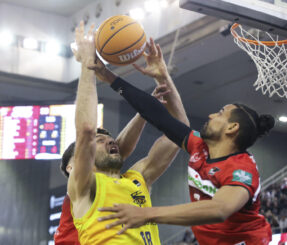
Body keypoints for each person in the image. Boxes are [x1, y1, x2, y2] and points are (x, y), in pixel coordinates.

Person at [92, 36, 275, 244]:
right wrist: (110, 77)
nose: (211, 116)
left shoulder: (242, 169)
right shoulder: (200, 147)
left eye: (220, 114)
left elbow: (220, 209)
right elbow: (157, 115)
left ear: (232, 128)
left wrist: (147, 214)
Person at [60, 21, 189, 245]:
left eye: (109, 138)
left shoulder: (137, 179)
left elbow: (180, 131)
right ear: (71, 167)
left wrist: (162, 76)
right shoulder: (83, 186)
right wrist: (87, 65)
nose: (110, 139)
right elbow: (87, 131)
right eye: (100, 141)